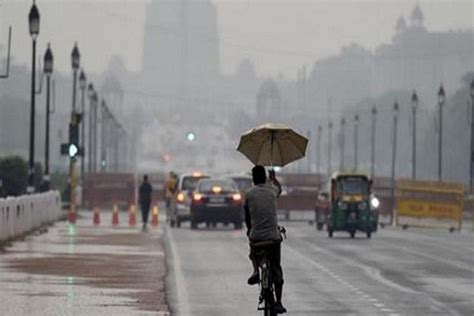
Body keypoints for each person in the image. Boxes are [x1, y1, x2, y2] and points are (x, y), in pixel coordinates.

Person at [244, 165, 286, 314]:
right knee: (276, 267)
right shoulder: (272, 190)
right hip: (273, 239)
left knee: (253, 247)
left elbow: (247, 217)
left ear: (253, 179)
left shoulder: (248, 194)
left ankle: (256, 270)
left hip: (256, 239)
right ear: (265, 177)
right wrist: (274, 179)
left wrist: (250, 230)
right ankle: (279, 302)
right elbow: (279, 189)